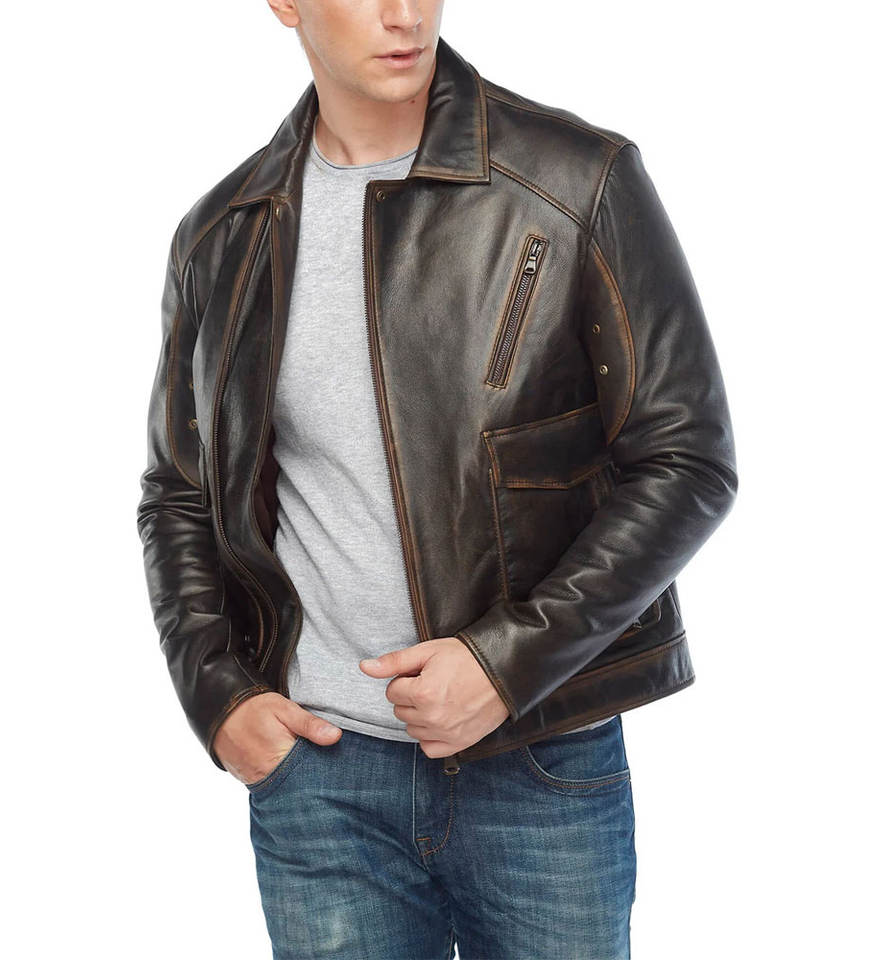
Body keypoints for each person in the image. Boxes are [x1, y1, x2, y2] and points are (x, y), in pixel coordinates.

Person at [136, 2, 738, 957]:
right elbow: (179, 490)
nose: (404, 13)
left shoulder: (574, 180)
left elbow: (688, 458)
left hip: (538, 757)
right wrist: (217, 697)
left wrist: (506, 663)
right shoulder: (225, 233)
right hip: (321, 781)